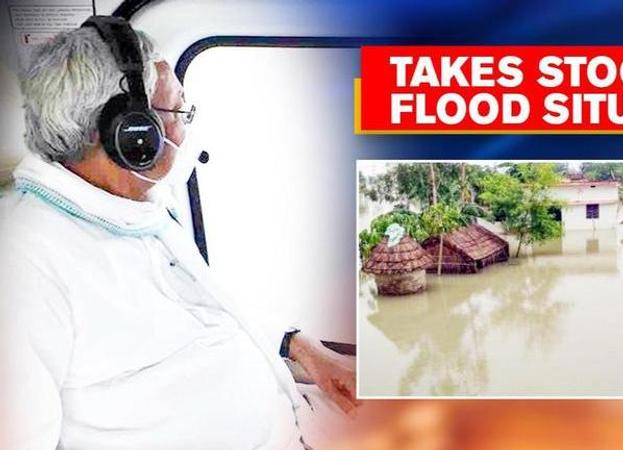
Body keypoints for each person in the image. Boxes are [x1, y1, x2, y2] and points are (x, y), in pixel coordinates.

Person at [0, 16, 356, 450]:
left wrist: (303, 349)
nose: (187, 128)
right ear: (131, 135)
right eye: (179, 111)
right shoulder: (23, 263)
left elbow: (207, 312)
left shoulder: (138, 208)